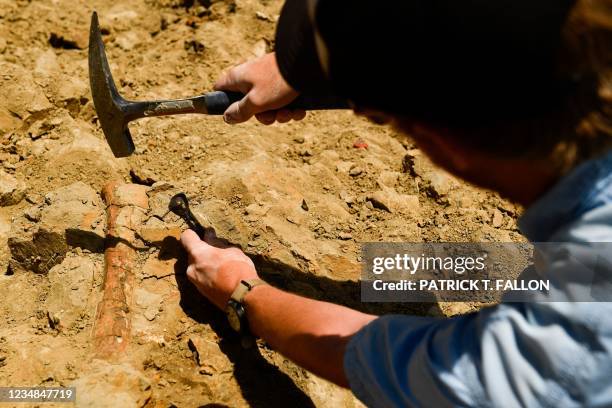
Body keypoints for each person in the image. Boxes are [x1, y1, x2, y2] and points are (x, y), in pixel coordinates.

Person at [180, 0, 612, 406]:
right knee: (397, 268)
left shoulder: (565, 355)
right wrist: (305, 70)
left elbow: (406, 365)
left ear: (440, 142)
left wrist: (244, 293)